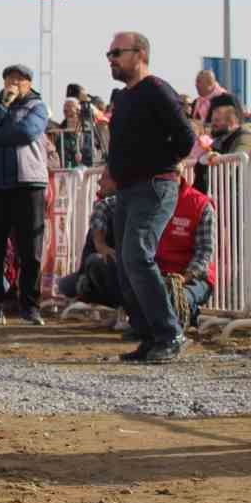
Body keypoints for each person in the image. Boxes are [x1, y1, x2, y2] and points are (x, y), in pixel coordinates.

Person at [103, 31, 197, 363]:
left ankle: (170, 333)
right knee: (127, 264)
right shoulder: (124, 98)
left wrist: (163, 161)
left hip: (155, 185)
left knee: (137, 255)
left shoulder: (156, 89)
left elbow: (185, 136)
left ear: (139, 54)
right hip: (128, 189)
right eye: (109, 54)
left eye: (117, 52)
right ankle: (149, 335)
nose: (111, 59)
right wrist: (112, 171)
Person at [0, 63, 50, 326]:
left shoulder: (38, 107)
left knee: (30, 250)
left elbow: (25, 132)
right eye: (9, 79)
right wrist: (1, 107)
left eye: (19, 79)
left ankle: (30, 306)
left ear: (29, 83)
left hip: (27, 185)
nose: (13, 84)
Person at [155, 162, 217, 329]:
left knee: (176, 298)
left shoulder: (200, 204)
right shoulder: (149, 202)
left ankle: (183, 316)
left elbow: (205, 252)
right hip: (160, 275)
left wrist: (184, 277)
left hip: (195, 278)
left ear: (176, 175)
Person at [195, 93, 251, 192]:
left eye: (217, 119)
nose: (213, 122)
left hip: (239, 200)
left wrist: (219, 160)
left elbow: (237, 163)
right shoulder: (217, 141)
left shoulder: (244, 137)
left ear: (233, 118)